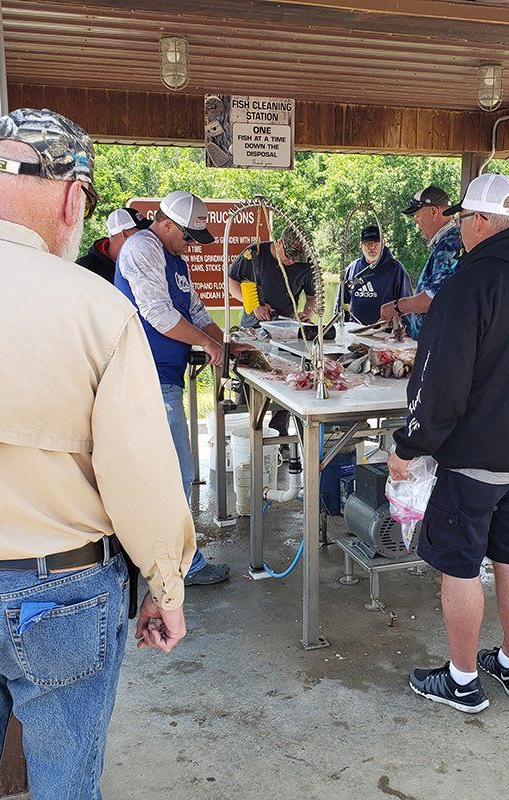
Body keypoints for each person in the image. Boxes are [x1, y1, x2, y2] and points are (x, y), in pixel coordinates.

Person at [0, 108, 196, 799]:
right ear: (71, 197)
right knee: (66, 786)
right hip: (62, 594)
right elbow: (142, 477)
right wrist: (166, 586)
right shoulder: (96, 310)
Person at [388, 173, 509, 714]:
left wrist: (408, 447)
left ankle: (463, 679)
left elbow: (437, 382)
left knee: (462, 567)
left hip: (474, 460)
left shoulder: (468, 285)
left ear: (478, 222)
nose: (461, 229)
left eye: (464, 220)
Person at [115, 190, 253, 586]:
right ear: (167, 224)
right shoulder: (143, 248)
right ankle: (179, 566)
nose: (191, 245)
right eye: (188, 237)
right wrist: (207, 344)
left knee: (170, 471)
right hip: (146, 376)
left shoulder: (174, 259)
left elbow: (194, 310)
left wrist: (222, 341)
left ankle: (159, 556)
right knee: (176, 473)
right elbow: (158, 314)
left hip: (166, 376)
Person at [228, 227, 316, 437]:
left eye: (297, 259)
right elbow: (231, 283)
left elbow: (312, 298)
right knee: (248, 382)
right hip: (253, 330)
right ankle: (246, 432)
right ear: (278, 243)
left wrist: (306, 314)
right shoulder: (254, 255)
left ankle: (281, 436)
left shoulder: (304, 264)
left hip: (285, 333)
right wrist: (253, 305)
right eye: (289, 257)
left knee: (288, 383)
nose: (292, 263)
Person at [379, 185, 462, 338]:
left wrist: (397, 307)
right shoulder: (446, 241)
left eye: (417, 215)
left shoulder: (450, 245)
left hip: (440, 342)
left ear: (433, 212)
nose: (415, 222)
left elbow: (436, 298)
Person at [335, 225, 412, 326]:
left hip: (386, 334)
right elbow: (341, 304)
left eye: (376, 243)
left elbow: (407, 306)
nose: (372, 247)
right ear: (361, 245)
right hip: (355, 332)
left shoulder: (396, 270)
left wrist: (406, 331)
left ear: (384, 243)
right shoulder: (352, 268)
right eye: (367, 243)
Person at [77, 206, 152, 282]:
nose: (147, 236)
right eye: (142, 233)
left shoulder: (141, 262)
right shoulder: (86, 268)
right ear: (125, 234)